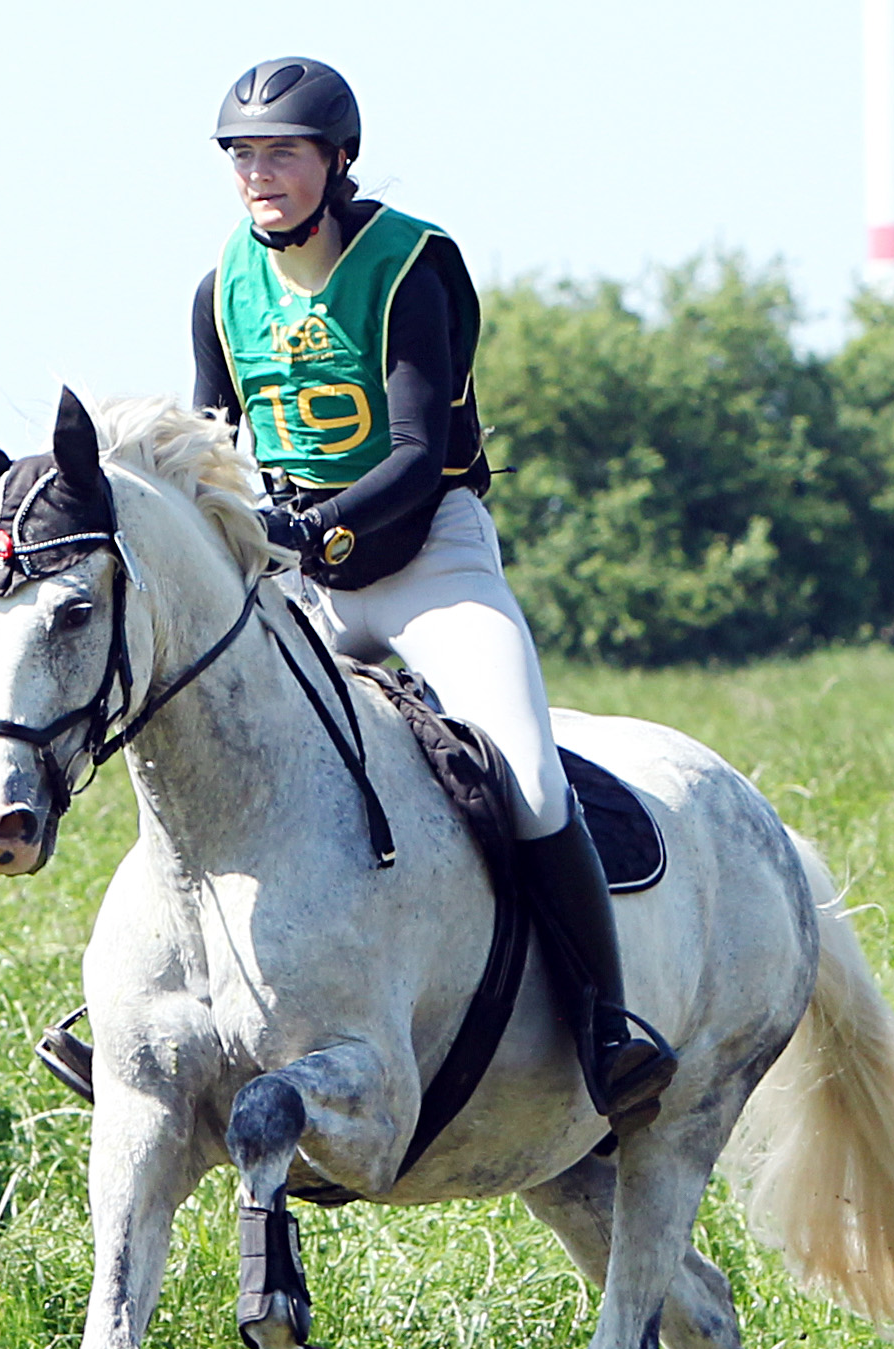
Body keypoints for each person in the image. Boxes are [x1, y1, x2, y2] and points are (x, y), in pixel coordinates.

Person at [195, 57, 676, 1127]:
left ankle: (606, 1028)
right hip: (299, 578)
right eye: (244, 157)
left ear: (339, 160)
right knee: (201, 745)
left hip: (428, 562)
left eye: (282, 153)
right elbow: (214, 448)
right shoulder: (221, 286)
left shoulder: (412, 264)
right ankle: (149, 1018)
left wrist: (311, 527)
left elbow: (420, 452)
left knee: (530, 775)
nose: (260, 175)